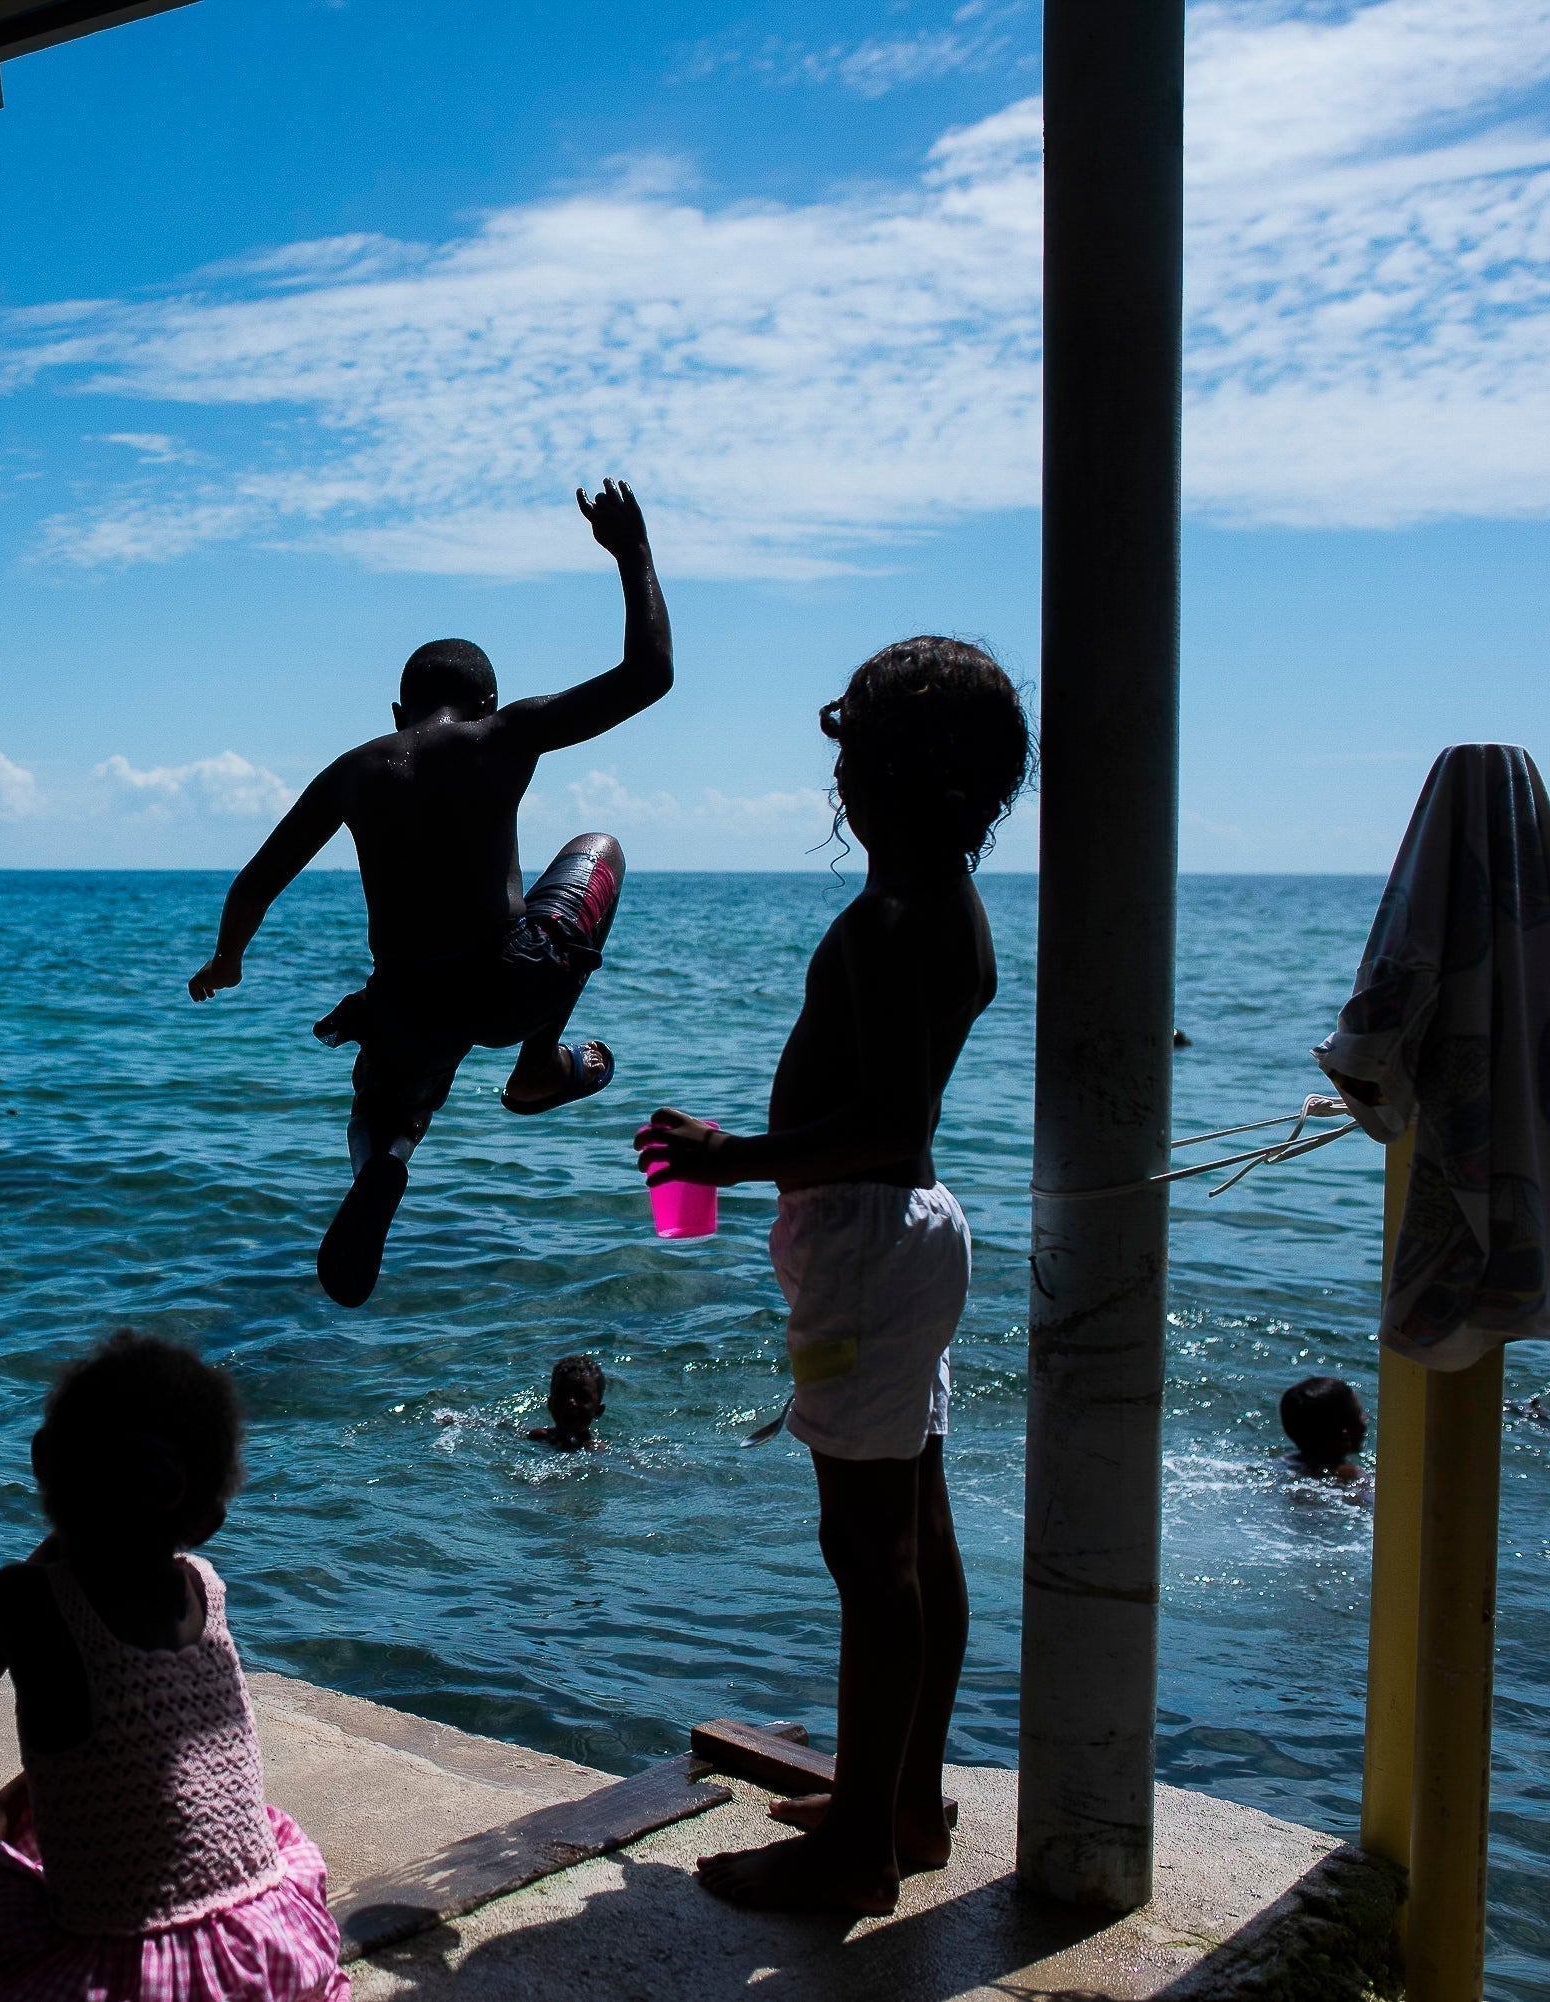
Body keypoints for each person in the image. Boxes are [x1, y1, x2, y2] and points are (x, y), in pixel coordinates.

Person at [635, 637, 1030, 1917]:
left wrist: (729, 1158)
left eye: (851, 743)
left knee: (868, 1550)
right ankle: (904, 1802)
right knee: (915, 1527)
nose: (838, 769)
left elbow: (890, 1119)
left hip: (863, 1238)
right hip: (897, 1237)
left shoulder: (893, 920)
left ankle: (861, 1844)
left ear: (895, 772)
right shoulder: (945, 907)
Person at [188, 481, 673, 1307]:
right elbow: (648, 675)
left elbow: (256, 881)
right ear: (486, 701)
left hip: (409, 1002)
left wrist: (228, 959)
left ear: (396, 711)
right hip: (512, 983)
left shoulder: (353, 771)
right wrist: (633, 552)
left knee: (385, 1110)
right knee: (602, 848)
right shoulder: (505, 733)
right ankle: (537, 1069)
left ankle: (384, 1164)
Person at [0, 1333, 348, 2002]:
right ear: (208, 1519)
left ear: (43, 1462)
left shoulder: (27, 1600)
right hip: (264, 1945)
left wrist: (36, 1563)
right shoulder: (204, 1586)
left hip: (131, 1978)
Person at [1279, 1375, 1367, 1477]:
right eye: (1360, 1413)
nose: (1365, 1418)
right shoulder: (1352, 1476)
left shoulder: (1282, 1463)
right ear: (1346, 1433)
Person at [526, 1355, 607, 1451]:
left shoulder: (597, 1450)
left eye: (582, 1397)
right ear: (550, 1404)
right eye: (562, 1394)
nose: (571, 1402)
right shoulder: (538, 1437)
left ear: (598, 1411)